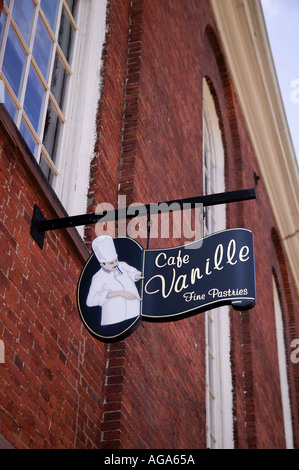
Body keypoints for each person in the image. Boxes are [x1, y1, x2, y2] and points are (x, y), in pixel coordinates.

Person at [86, 235, 143, 325]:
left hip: (134, 312)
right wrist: (118, 293)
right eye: (111, 263)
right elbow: (90, 301)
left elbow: (132, 272)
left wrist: (137, 275)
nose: (115, 264)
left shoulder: (122, 265)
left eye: (116, 260)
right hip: (114, 319)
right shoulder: (98, 277)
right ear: (102, 264)